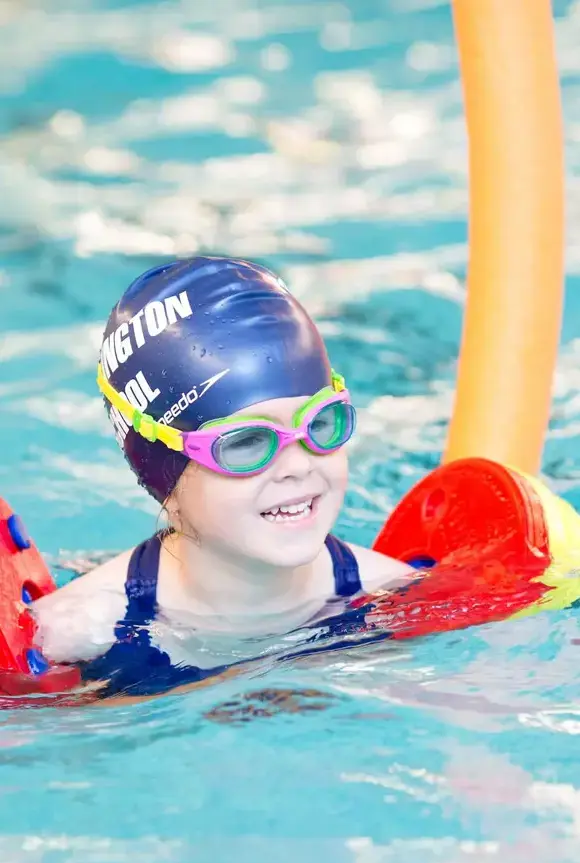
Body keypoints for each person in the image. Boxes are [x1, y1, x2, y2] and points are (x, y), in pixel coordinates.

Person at [32, 256, 412, 698]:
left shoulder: (391, 594)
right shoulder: (78, 636)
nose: (298, 464)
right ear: (162, 475)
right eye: (246, 443)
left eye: (321, 424)